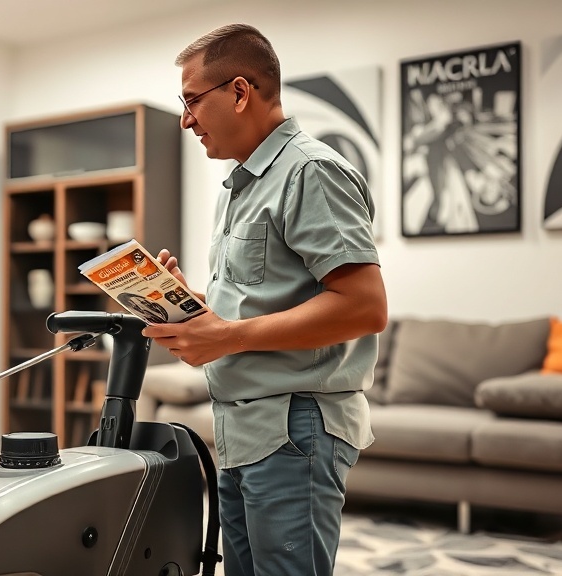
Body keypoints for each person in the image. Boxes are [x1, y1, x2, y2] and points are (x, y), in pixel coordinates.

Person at [143, 23, 388, 576]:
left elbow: (363, 306)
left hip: (293, 429)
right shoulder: (245, 184)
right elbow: (262, 298)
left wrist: (227, 336)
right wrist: (190, 304)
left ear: (238, 92)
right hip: (245, 428)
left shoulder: (311, 171)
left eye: (191, 101)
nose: (185, 120)